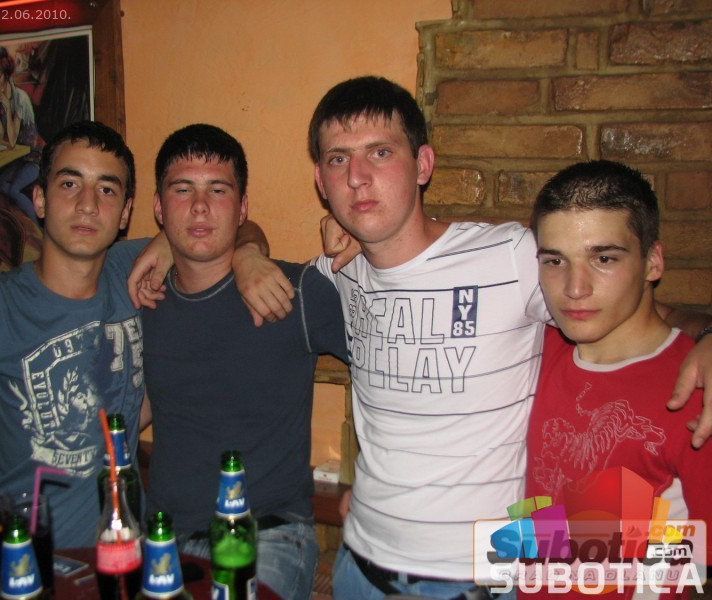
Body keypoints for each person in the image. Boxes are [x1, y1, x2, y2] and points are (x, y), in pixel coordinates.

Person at [130, 77, 712, 599]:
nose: (358, 176)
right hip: (358, 569)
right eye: (339, 159)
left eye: (381, 153)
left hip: (477, 578)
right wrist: (240, 249)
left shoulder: (510, 256)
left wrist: (708, 336)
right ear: (321, 182)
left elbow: (618, 301)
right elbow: (222, 237)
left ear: (422, 164)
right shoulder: (333, 277)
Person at [0, 120, 273, 552]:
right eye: (70, 184)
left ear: (125, 212)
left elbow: (232, 227)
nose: (88, 205)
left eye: (107, 189)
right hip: (17, 549)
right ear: (39, 198)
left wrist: (247, 254)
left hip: (122, 549)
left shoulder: (133, 271)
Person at [140, 123, 348, 600]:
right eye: (182, 190)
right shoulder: (142, 297)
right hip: (164, 536)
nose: (199, 206)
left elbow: (392, 359)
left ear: (243, 207)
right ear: (158, 207)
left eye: (218, 190)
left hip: (268, 533)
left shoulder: (293, 292)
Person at [524, 160, 712, 598]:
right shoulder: (535, 349)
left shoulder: (695, 390)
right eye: (555, 260)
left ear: (652, 261)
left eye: (604, 258)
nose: (575, 288)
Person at [0, 46, 45, 225]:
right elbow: (0, 139)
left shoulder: (20, 98)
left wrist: (8, 108)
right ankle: (12, 222)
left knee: (14, 190)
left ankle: (40, 226)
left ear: (7, 76)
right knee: (1, 184)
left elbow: (13, 138)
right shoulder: (1, 102)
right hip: (20, 157)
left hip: (35, 156)